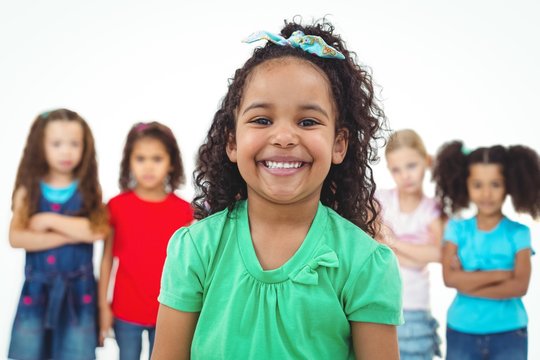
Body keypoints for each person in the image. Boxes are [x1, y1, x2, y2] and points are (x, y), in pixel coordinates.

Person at [151, 19, 403, 360]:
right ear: (232, 142)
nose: (284, 137)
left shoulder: (365, 264)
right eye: (262, 120)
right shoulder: (196, 250)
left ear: (339, 143)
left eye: (308, 121)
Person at [8, 108, 108, 360]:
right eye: (57, 144)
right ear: (40, 146)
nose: (66, 151)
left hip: (79, 294)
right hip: (36, 293)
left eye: (74, 144)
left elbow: (96, 230)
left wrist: (46, 220)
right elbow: (17, 237)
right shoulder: (27, 190)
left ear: (85, 147)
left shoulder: (89, 189)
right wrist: (71, 234)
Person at [432, 141, 540, 360]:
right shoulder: (456, 229)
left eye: (495, 184)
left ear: (508, 185)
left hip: (509, 333)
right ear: (466, 185)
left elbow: (519, 286)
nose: (487, 194)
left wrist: (467, 281)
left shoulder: (519, 233)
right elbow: (449, 278)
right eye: (478, 185)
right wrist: (501, 275)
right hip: (461, 330)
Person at [98, 122, 194, 360]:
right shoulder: (117, 206)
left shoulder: (184, 211)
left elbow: (189, 267)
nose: (148, 166)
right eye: (140, 159)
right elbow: (106, 260)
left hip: (168, 312)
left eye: (157, 159)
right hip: (125, 310)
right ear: (129, 162)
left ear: (171, 163)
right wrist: (102, 307)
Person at [377, 129, 443, 359]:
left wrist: (392, 243)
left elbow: (441, 254)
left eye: (412, 166)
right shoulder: (380, 200)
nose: (405, 175)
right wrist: (416, 254)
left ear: (426, 161)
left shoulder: (432, 209)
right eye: (397, 169)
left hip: (414, 309)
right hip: (378, 304)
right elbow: (370, 241)